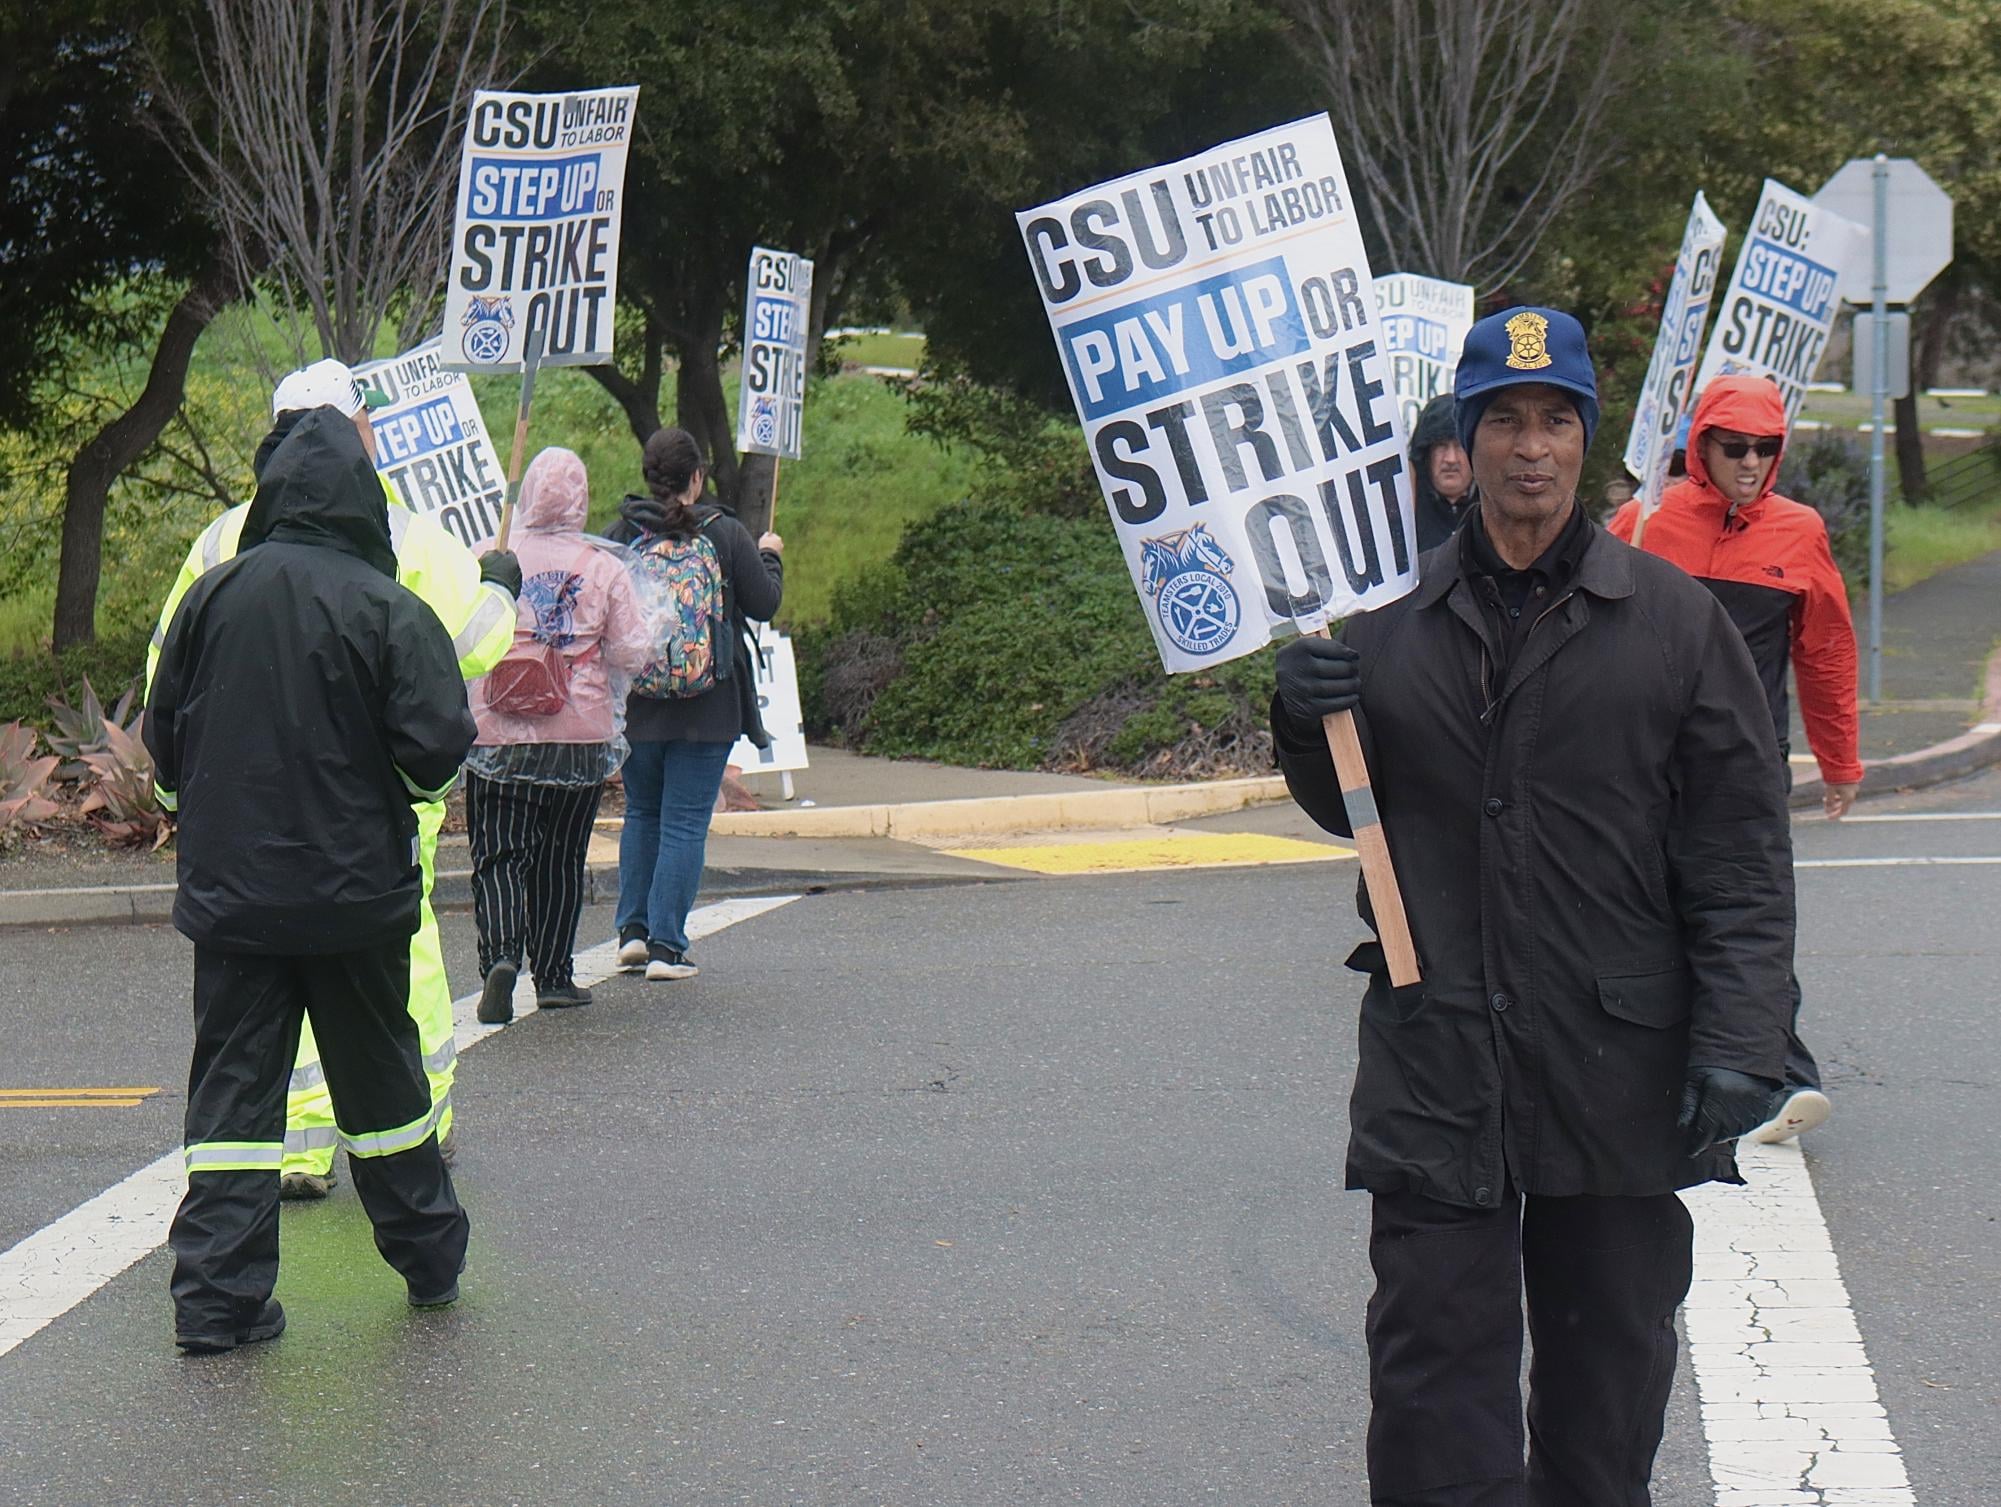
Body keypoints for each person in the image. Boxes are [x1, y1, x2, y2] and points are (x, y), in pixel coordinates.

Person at [1271, 307, 1795, 1505]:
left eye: (1555, 419)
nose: (1530, 447)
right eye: (1503, 420)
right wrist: (1302, 717)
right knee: (1431, 1388)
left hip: (1615, 1064)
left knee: (1606, 1389)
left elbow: (1740, 852)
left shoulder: (1673, 621)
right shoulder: (1389, 617)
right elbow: (1354, 806)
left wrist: (1741, 1038)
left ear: (1585, 437)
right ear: (1465, 441)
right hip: (1438, 1056)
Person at [148, 358, 519, 1200]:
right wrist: (501, 586)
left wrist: (186, 792)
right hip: (372, 814)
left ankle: (295, 1146)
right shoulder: (409, 537)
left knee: (259, 993)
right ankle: (417, 1132)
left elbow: (168, 675)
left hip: (243, 816)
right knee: (401, 965)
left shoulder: (220, 541)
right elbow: (470, 648)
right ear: (356, 431)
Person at [1610, 373, 1863, 1145]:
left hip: (1747, 762)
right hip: (1646, 758)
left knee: (1749, 911)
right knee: (1650, 911)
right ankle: (1700, 1067)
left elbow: (1824, 650)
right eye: (1733, 446)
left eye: (1765, 447)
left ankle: (1778, 1074)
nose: (1750, 461)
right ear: (1700, 445)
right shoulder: (1643, 521)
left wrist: (1840, 760)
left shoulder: (1797, 531)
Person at [467, 447, 653, 1023]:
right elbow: (632, 650)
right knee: (561, 858)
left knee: (499, 853)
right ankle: (553, 975)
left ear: (524, 495)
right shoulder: (604, 567)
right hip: (579, 736)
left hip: (497, 731)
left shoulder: (489, 555)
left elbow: (456, 631)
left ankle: (501, 955)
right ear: (582, 500)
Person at [608, 428, 783, 982]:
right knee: (685, 822)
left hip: (638, 705)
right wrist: (770, 557)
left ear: (649, 476)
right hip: (709, 706)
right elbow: (763, 603)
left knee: (642, 813)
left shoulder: (623, 535)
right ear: (697, 478)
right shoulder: (725, 533)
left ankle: (632, 933)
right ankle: (667, 947)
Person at [1409, 391, 1477, 552]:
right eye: (1441, 446)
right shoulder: (1405, 508)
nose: (1451, 459)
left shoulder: (1496, 508)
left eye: (1459, 446)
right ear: (1426, 454)